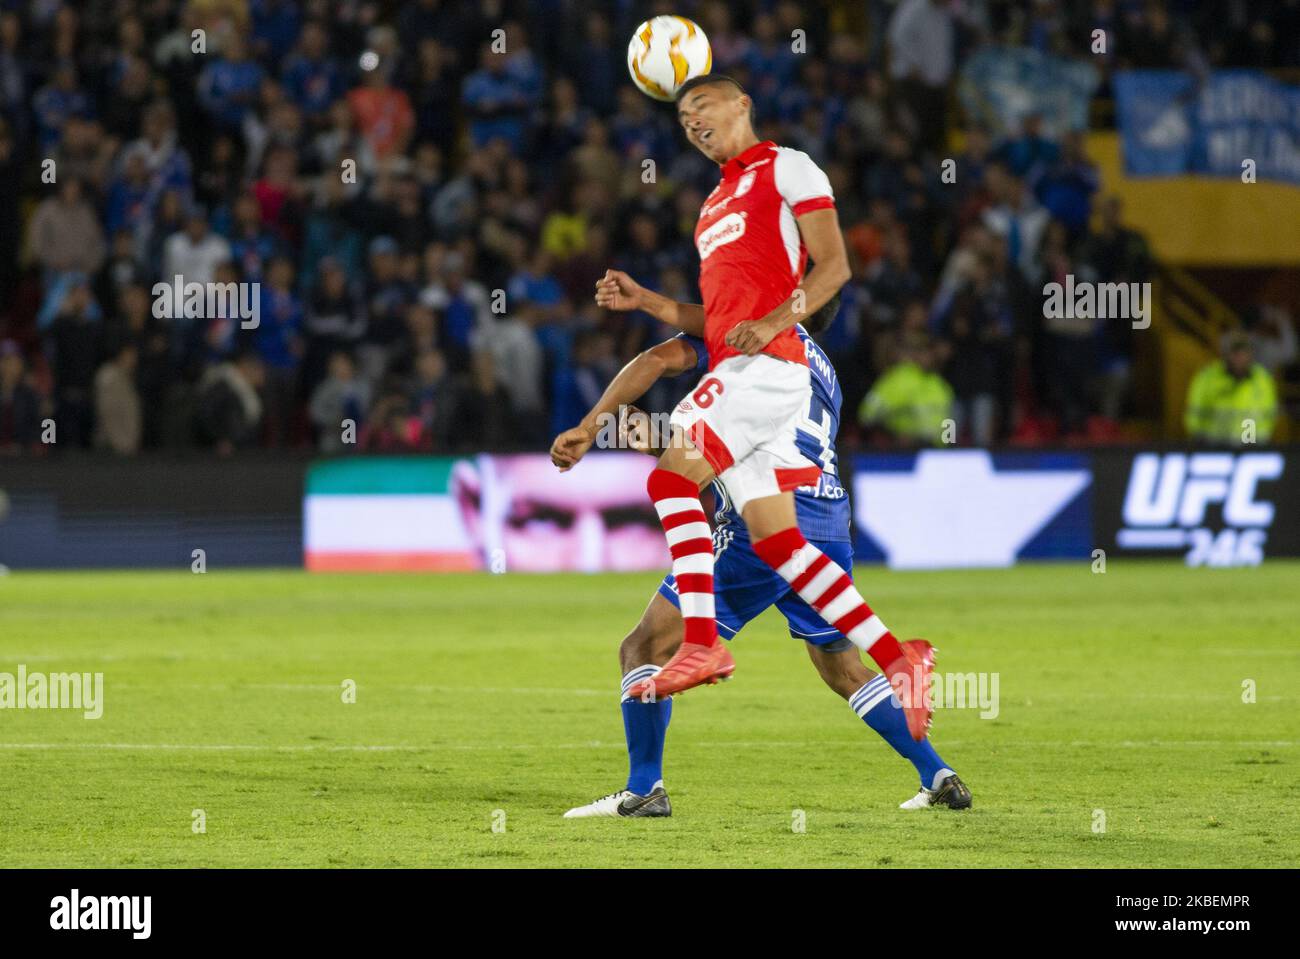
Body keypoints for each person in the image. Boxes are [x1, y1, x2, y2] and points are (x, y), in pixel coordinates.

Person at [594, 74, 934, 740]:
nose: (691, 121)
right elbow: (718, 320)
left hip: (764, 368)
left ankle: (701, 641)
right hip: (752, 369)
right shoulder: (713, 205)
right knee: (780, 543)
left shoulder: (788, 166)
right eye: (682, 115)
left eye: (702, 106)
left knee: (669, 477)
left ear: (742, 103)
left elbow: (833, 267)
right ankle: (900, 655)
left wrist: (775, 318)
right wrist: (652, 303)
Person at [551, 295, 971, 817]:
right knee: (842, 669)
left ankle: (643, 790)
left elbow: (657, 362)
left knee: (643, 647)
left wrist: (598, 427)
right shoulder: (823, 371)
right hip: (827, 522)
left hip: (763, 524)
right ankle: (938, 775)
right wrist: (662, 438)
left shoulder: (751, 336)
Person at [1184, 333, 1278, 446]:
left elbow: (1268, 414)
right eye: (1236, 353)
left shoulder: (1262, 379)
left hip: (1250, 442)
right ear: (1227, 354)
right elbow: (1195, 411)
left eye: (1244, 353)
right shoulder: (1208, 377)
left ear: (1250, 354)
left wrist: (1254, 440)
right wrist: (1200, 438)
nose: (1239, 357)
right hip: (1215, 443)